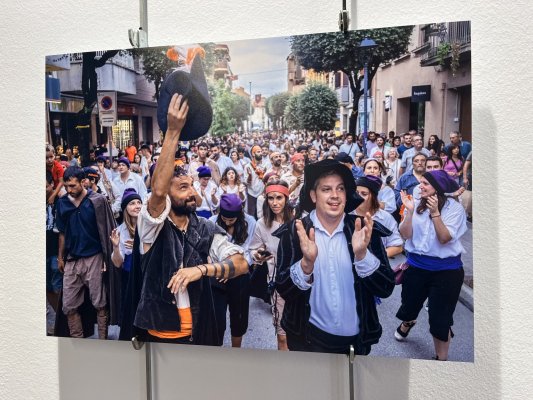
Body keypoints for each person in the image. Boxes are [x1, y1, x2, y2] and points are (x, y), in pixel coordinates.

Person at [120, 94, 248, 345]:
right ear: (167, 193)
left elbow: (241, 263)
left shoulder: (205, 228)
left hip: (199, 331)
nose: (191, 192)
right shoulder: (152, 227)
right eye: (182, 187)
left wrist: (201, 270)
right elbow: (157, 191)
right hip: (161, 335)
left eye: (191, 186)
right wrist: (173, 130)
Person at [274, 159, 395, 355]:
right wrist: (306, 264)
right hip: (308, 341)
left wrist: (362, 256)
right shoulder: (295, 232)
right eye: (326, 189)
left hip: (356, 344)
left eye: (340, 189)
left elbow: (386, 288)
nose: (335, 196)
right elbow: (283, 288)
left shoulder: (363, 229)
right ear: (313, 195)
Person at [395, 170, 467, 361]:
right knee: (409, 306)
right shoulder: (416, 202)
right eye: (421, 182)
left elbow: (444, 238)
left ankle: (441, 360)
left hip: (447, 272)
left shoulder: (454, 209)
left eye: (426, 183)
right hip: (416, 267)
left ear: (439, 187)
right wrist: (409, 212)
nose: (421, 186)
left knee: (440, 320)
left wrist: (435, 214)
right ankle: (409, 321)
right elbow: (405, 234)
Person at [55, 166, 119, 339]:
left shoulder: (97, 200)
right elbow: (61, 232)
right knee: (69, 305)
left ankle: (103, 340)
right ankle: (78, 341)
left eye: (73, 185)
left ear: (83, 182)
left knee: (100, 302)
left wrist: (108, 257)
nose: (69, 189)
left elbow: (108, 231)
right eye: (67, 186)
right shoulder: (63, 203)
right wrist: (60, 257)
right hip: (72, 259)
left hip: (94, 257)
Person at [249, 180, 294, 350]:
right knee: (282, 335)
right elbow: (254, 249)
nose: (275, 203)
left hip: (300, 283)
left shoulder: (298, 219)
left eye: (279, 198)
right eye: (271, 198)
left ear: (287, 198)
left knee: (300, 333)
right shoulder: (262, 223)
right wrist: (258, 255)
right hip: (276, 283)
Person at [209, 194, 256, 347]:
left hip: (240, 276)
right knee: (216, 320)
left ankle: (236, 351)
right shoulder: (211, 222)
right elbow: (209, 251)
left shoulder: (250, 222)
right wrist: (221, 269)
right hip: (217, 276)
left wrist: (234, 269)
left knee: (239, 319)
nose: (228, 222)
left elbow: (249, 251)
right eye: (225, 218)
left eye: (232, 219)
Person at [110, 188, 142, 321]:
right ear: (125, 208)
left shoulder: (149, 226)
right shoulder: (120, 231)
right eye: (132, 203)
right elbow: (118, 263)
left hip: (146, 274)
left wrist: (138, 245)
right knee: (131, 311)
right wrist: (116, 246)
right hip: (129, 278)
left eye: (139, 202)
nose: (137, 206)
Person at [354, 175, 403, 258]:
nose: (358, 197)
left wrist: (373, 259)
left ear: (373, 197)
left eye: (364, 194)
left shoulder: (385, 217)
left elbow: (397, 247)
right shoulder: (347, 214)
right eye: (356, 193)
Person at [244, 145, 267, 218]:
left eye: (261, 151)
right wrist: (250, 176)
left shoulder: (265, 165)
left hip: (262, 193)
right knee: (252, 215)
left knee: (262, 214)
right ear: (253, 154)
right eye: (258, 152)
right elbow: (246, 182)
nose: (261, 153)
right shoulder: (248, 166)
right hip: (252, 194)